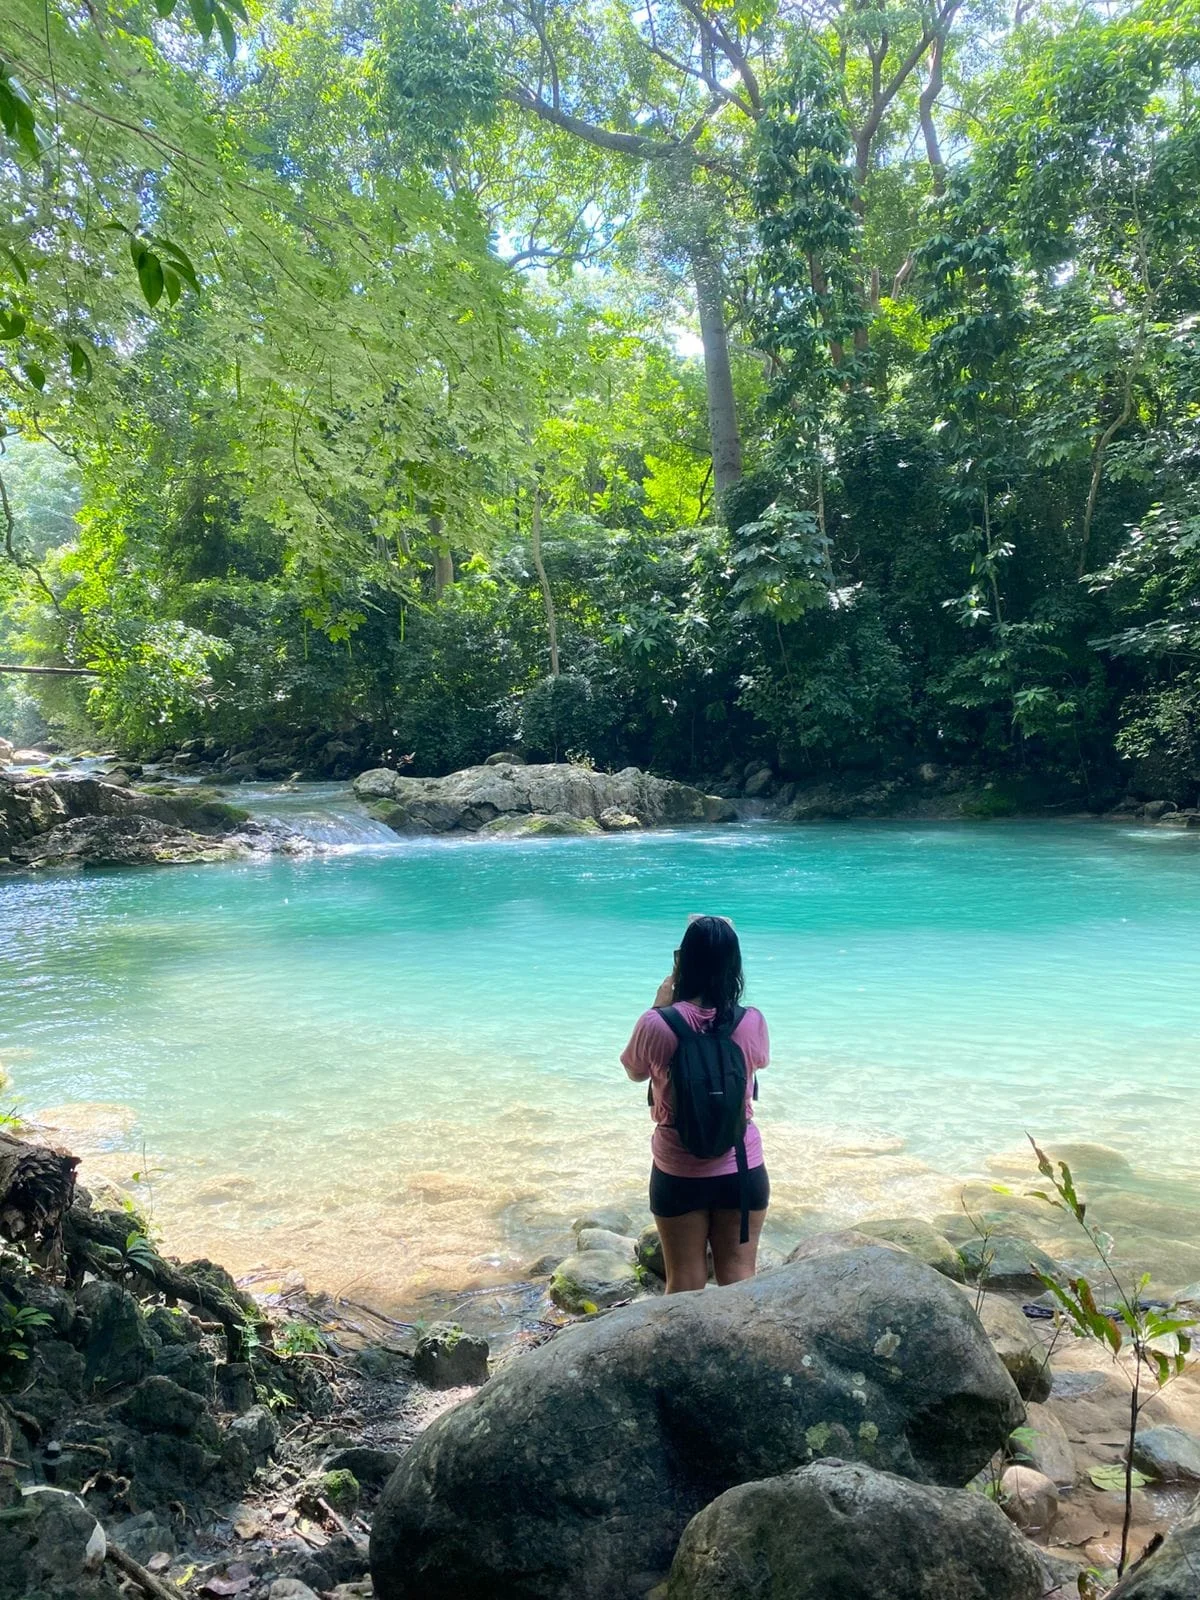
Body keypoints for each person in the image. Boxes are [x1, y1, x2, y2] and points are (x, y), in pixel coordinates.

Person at [620, 915, 770, 1293]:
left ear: (681, 963)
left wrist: (658, 1005)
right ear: (734, 966)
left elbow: (634, 1072)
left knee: (684, 1282)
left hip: (679, 1169)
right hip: (741, 1165)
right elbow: (759, 1062)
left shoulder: (657, 1023)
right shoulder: (751, 1021)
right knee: (738, 1278)